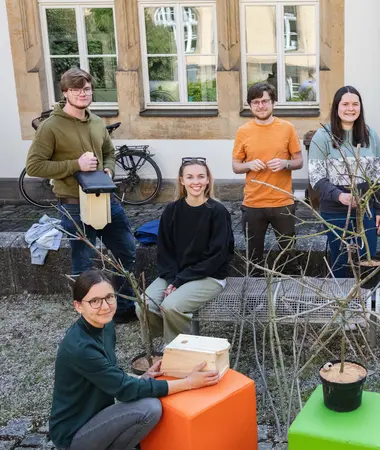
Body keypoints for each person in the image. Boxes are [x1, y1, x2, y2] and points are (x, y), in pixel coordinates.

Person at [50, 269, 221, 450]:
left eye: (109, 297)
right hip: (73, 436)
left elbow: (111, 378)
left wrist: (144, 377)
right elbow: (124, 390)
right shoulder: (80, 348)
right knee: (149, 408)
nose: (106, 306)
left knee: (147, 401)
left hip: (97, 416)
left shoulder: (105, 326)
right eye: (94, 301)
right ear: (78, 306)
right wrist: (189, 383)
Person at [26, 68, 137, 323]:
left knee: (126, 251)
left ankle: (121, 309)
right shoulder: (50, 127)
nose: (82, 93)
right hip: (74, 205)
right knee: (83, 263)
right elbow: (34, 166)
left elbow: (109, 151)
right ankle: (90, 317)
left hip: (106, 201)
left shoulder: (97, 121)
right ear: (65, 93)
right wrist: (75, 164)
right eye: (75, 89)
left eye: (86, 88)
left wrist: (108, 167)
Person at [138, 158, 234, 345]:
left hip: (209, 276)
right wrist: (174, 279)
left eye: (200, 176)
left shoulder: (218, 212)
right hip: (175, 274)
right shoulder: (171, 211)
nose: (195, 182)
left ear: (208, 180)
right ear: (182, 180)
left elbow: (217, 256)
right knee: (144, 304)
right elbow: (164, 251)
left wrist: (180, 280)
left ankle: (176, 348)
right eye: (189, 177)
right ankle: (159, 343)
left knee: (170, 306)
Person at [308, 86, 380, 277]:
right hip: (335, 209)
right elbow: (316, 176)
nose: (350, 108)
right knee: (341, 259)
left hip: (365, 208)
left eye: (355, 104)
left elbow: (379, 175)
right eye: (345, 104)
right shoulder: (323, 136)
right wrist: (339, 195)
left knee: (368, 258)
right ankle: (342, 303)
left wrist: (379, 209)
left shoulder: (371, 135)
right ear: (337, 107)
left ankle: (366, 303)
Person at [232, 82, 303, 273]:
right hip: (253, 203)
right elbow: (236, 166)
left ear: (273, 103)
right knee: (253, 260)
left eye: (265, 101)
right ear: (250, 105)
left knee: (289, 256)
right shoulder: (243, 131)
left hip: (282, 202)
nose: (261, 106)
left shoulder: (287, 128)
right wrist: (248, 165)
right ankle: (256, 299)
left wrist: (284, 163)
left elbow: (299, 161)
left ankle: (291, 296)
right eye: (256, 102)